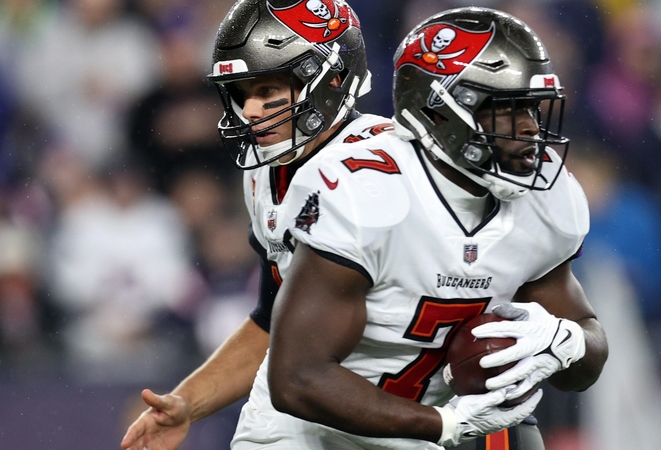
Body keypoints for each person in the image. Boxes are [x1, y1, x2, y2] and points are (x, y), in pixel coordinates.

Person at [230, 7, 608, 450]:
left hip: (449, 417)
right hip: (319, 430)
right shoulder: (363, 191)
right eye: (503, 110)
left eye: (529, 108)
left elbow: (587, 351)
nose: (528, 130)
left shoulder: (545, 197)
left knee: (515, 436)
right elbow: (298, 378)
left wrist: (566, 343)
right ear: (437, 115)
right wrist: (443, 425)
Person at [120, 0, 391, 448]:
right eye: (243, 93)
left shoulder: (392, 169)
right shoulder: (265, 173)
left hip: (426, 406)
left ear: (332, 80)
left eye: (268, 90)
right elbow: (273, 324)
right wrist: (187, 401)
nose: (250, 109)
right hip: (331, 403)